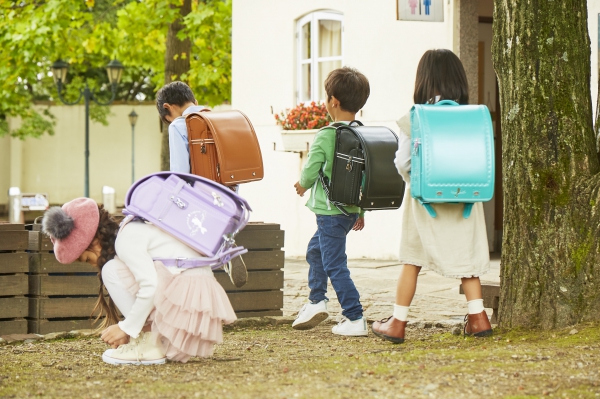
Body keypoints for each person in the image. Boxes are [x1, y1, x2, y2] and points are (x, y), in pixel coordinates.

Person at [372, 49, 493, 343]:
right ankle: (478, 318)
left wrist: (417, 181)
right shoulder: (474, 115)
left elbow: (403, 162)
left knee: (412, 259)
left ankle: (397, 323)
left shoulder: (415, 118)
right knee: (468, 260)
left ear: (423, 80)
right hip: (466, 198)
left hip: (425, 202)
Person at [42, 197, 237, 365]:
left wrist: (126, 327)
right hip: (193, 296)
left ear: (93, 242)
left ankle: (148, 345)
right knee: (115, 269)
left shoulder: (126, 240)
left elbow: (150, 286)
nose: (93, 265)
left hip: (188, 296)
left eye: (87, 259)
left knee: (110, 270)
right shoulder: (132, 228)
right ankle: (148, 341)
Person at [292, 66, 370, 336]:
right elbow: (362, 178)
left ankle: (354, 316)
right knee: (316, 252)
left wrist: (302, 185)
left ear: (333, 102)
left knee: (335, 264)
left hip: (330, 212)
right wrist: (360, 211)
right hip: (348, 213)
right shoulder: (361, 134)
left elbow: (312, 169)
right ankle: (316, 301)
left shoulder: (327, 134)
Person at [156, 81, 248, 288]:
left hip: (201, 196)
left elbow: (180, 173)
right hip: (229, 195)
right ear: (195, 102)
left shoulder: (179, 125)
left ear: (167, 108)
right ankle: (225, 245)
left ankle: (202, 277)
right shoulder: (221, 120)